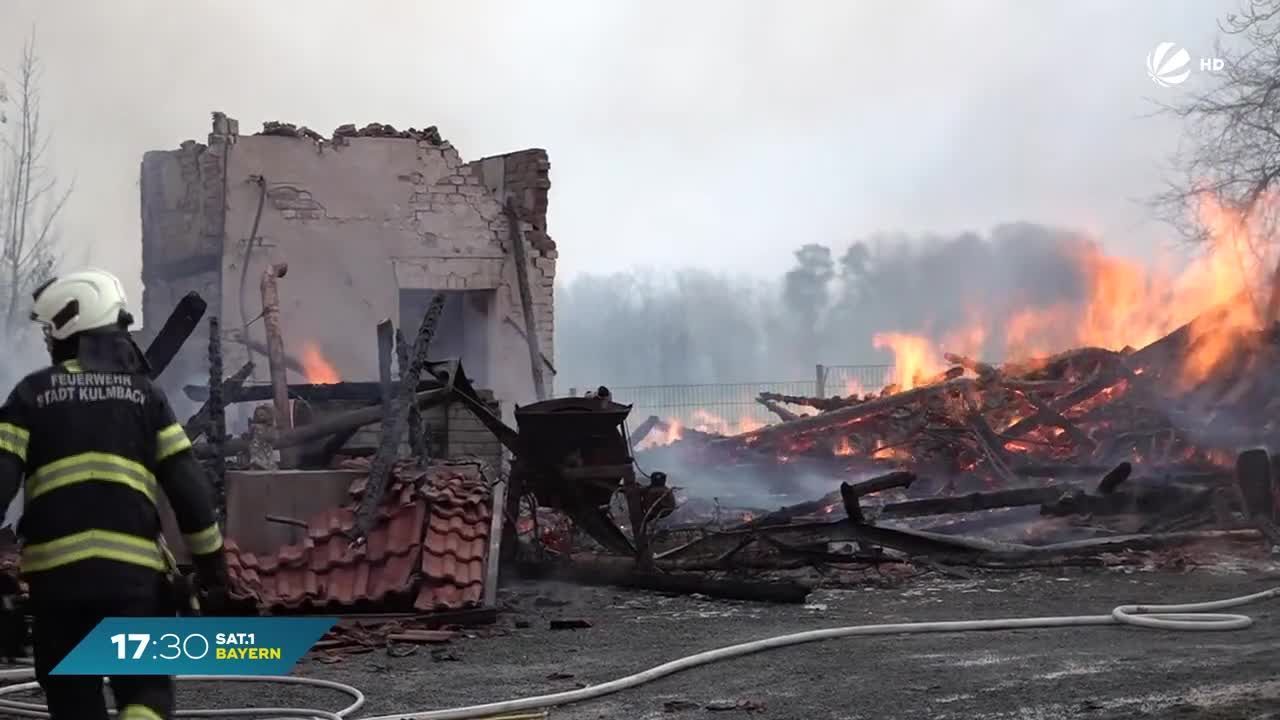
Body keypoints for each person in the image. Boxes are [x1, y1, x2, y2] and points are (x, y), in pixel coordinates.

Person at [0, 268, 230, 720]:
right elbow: (189, 490)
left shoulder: (29, 395)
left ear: (67, 331)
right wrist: (213, 571)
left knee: (72, 696)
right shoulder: (145, 396)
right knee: (145, 688)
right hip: (133, 584)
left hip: (57, 586)